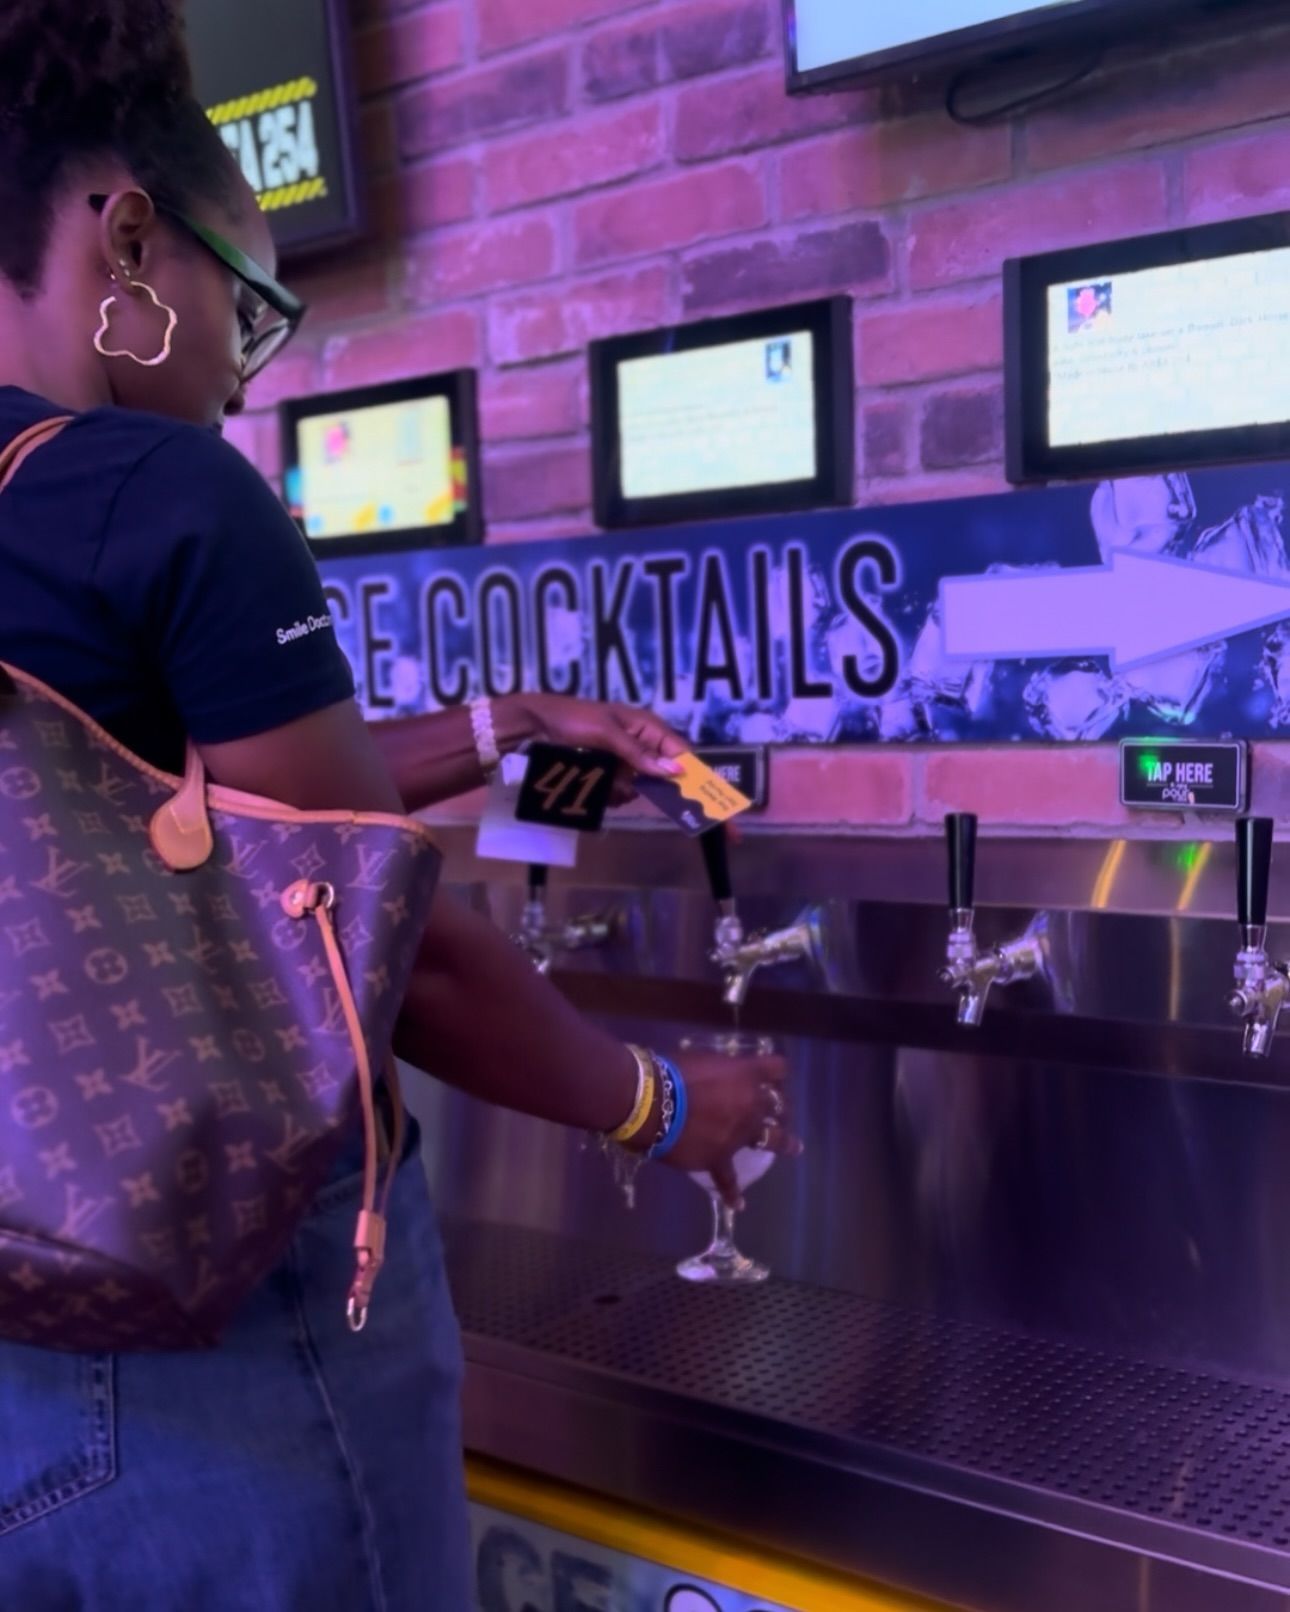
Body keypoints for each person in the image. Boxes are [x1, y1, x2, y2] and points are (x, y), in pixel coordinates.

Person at [0, 4, 793, 1609]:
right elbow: (373, 952)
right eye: (257, 302)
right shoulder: (161, 492)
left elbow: (168, 813)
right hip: (241, 1359)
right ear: (135, 243)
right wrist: (658, 1103)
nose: (243, 368)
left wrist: (508, 728)